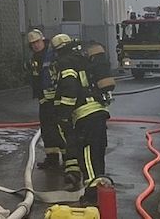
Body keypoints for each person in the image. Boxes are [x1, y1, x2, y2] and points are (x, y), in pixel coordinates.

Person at [51, 33, 111, 205]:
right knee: (97, 155)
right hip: (98, 111)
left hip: (85, 115)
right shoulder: (83, 59)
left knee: (88, 158)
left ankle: (92, 197)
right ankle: (100, 192)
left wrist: (63, 114)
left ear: (58, 50)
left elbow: (69, 88)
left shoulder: (65, 63)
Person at [26, 28, 64, 170]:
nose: (35, 45)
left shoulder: (52, 55)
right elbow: (36, 79)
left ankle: (69, 161)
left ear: (42, 40)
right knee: (47, 130)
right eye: (32, 43)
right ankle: (52, 159)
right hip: (44, 100)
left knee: (60, 129)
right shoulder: (35, 58)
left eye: (37, 42)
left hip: (57, 100)